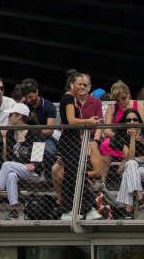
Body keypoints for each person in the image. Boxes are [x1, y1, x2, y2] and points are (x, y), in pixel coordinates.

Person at [0, 105, 44, 220]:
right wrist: (20, 165)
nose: (8, 117)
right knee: (11, 175)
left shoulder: (34, 131)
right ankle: (14, 210)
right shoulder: (10, 133)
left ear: (19, 116)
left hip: (33, 171)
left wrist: (33, 164)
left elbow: (38, 156)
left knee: (6, 165)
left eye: (11, 115)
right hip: (17, 168)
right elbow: (10, 156)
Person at [57, 71, 101, 221]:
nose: (82, 86)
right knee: (77, 175)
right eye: (79, 84)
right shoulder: (68, 97)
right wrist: (89, 121)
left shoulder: (72, 98)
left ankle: (69, 210)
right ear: (71, 84)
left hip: (73, 141)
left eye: (84, 84)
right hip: (69, 142)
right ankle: (89, 209)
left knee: (72, 176)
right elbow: (70, 121)